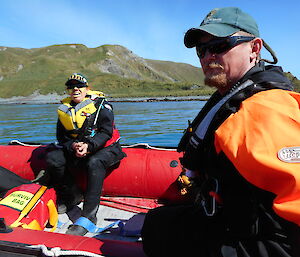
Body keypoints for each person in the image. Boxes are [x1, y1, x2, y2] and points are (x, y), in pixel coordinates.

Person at [141, 7, 300, 257]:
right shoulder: (234, 98)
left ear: (254, 48)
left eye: (220, 45)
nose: (207, 56)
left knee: (155, 228)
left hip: (256, 242)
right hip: (229, 216)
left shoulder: (265, 112)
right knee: (158, 221)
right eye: (202, 50)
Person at [46, 73, 126, 236]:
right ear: (68, 91)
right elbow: (62, 137)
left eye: (79, 86)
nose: (75, 89)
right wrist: (73, 145)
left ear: (87, 89)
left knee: (94, 162)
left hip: (107, 148)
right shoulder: (65, 111)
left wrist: (89, 146)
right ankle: (72, 196)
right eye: (71, 86)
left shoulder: (102, 107)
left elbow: (106, 132)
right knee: (53, 158)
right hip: (78, 147)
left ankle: (89, 216)